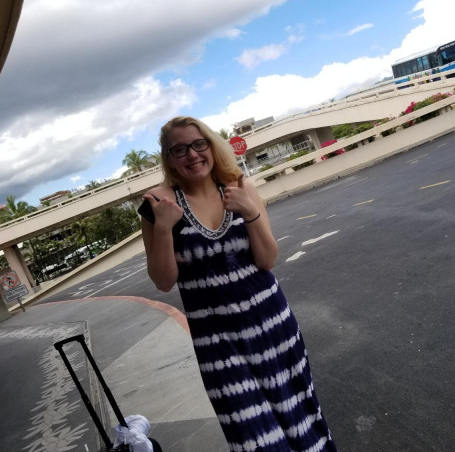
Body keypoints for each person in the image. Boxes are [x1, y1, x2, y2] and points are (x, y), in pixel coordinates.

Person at [140, 116, 337, 452]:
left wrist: (251, 212)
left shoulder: (240, 187)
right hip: (218, 343)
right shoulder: (158, 205)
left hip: (273, 327)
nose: (192, 155)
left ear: (211, 146)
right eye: (179, 150)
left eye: (199, 144)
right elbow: (163, 280)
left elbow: (267, 260)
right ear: (169, 159)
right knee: (254, 440)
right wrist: (162, 227)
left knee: (302, 418)